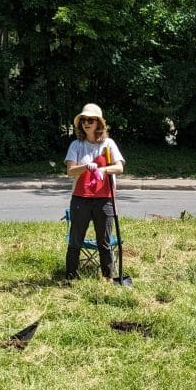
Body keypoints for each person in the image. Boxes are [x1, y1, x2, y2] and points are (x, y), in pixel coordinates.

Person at [64, 103, 125, 281]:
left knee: (104, 242)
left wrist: (103, 169)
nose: (86, 123)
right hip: (80, 198)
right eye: (83, 120)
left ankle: (108, 279)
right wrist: (85, 167)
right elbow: (70, 171)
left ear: (99, 123)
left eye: (90, 120)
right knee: (75, 241)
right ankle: (70, 278)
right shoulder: (76, 145)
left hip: (105, 198)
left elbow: (119, 167)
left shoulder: (108, 144)